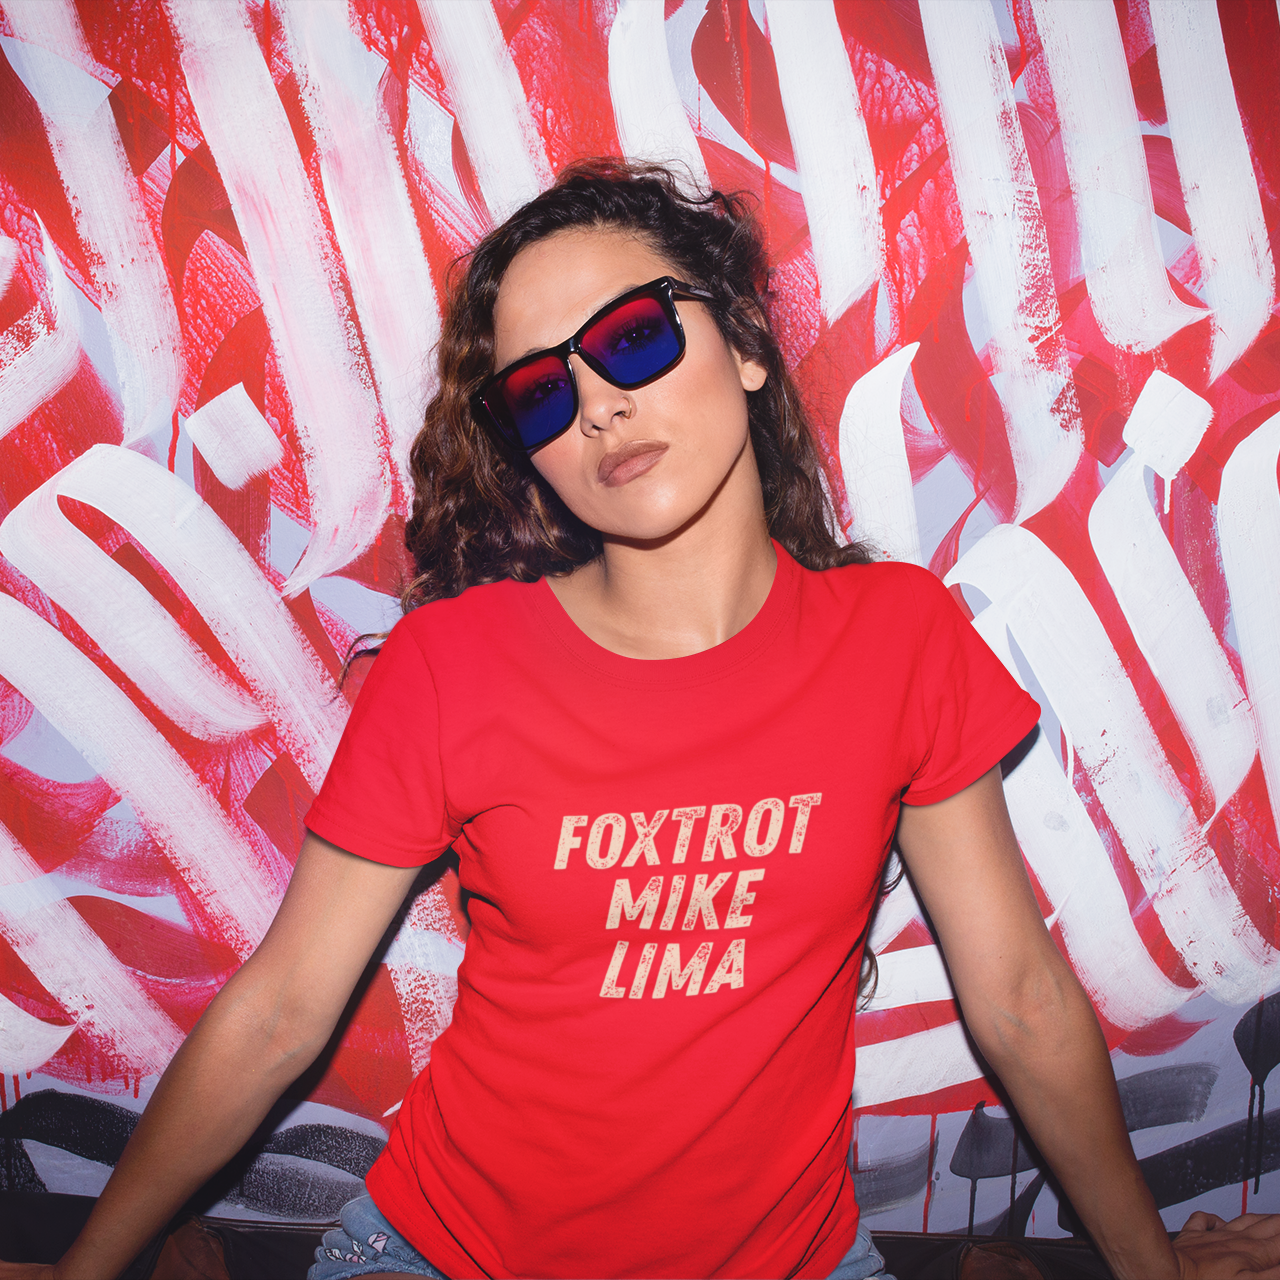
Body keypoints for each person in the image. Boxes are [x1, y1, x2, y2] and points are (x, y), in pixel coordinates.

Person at [6, 159, 1280, 1280]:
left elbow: (1016, 992)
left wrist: (1148, 1264)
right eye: (542, 395)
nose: (597, 405)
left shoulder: (896, 638)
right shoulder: (454, 664)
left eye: (626, 341)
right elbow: (281, 1008)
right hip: (446, 1251)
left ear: (741, 344)